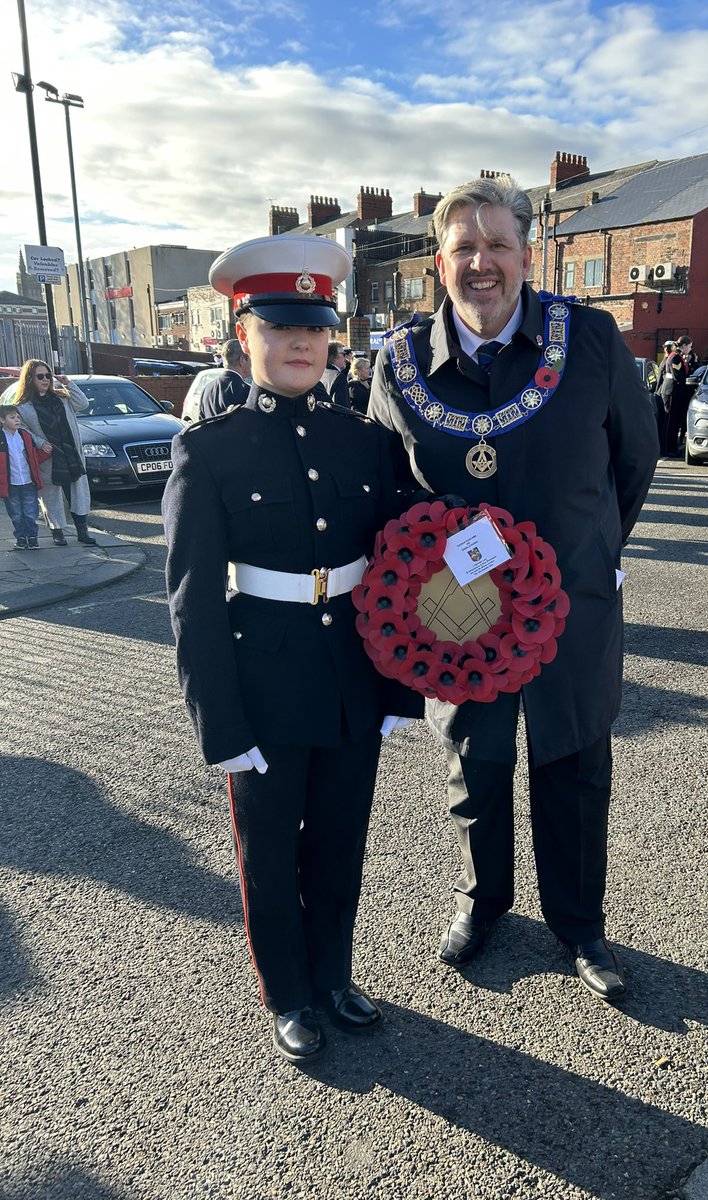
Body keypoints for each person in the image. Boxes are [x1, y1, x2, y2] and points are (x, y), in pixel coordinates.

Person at [368, 174, 658, 1002]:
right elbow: (391, 494)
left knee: (572, 764)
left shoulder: (593, 341)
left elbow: (634, 464)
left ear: (526, 253)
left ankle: (579, 926)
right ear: (439, 260)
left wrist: (585, 552)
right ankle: (483, 902)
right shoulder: (399, 363)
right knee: (474, 764)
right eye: (465, 247)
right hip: (456, 619)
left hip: (571, 609)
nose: (482, 263)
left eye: (498, 244)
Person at [162, 234, 419, 1067]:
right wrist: (220, 722)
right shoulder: (208, 450)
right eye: (279, 327)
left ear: (333, 339)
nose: (300, 343)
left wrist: (401, 691)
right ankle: (289, 993)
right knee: (269, 849)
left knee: (342, 838)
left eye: (314, 327)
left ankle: (335, 975)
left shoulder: (364, 442)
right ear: (245, 335)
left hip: (351, 671)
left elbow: (401, 571)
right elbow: (193, 598)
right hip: (262, 673)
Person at [11, 360, 97, 546]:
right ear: (30, 379)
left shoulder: (63, 398)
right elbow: (23, 430)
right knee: (51, 496)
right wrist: (40, 442)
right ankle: (57, 531)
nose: (45, 379)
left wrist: (68, 383)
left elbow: (82, 404)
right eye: (40, 376)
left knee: (77, 493)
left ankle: (82, 531)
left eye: (48, 375)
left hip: (71, 454)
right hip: (49, 457)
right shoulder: (23, 406)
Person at [0, 404, 49, 549]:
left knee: (30, 511)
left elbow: (33, 456)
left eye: (18, 417)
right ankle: (21, 537)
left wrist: (46, 452)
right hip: (10, 484)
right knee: (15, 513)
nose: (17, 420)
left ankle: (32, 536)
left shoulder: (25, 436)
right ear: (2, 420)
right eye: (12, 417)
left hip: (28, 481)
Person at [198, 339, 250, 419]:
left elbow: (201, 423)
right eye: (251, 359)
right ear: (242, 360)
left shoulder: (207, 389)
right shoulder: (246, 391)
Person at [320, 340, 351, 408]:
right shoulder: (339, 377)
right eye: (343, 354)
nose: (345, 358)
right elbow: (342, 408)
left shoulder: (320, 374)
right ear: (333, 357)